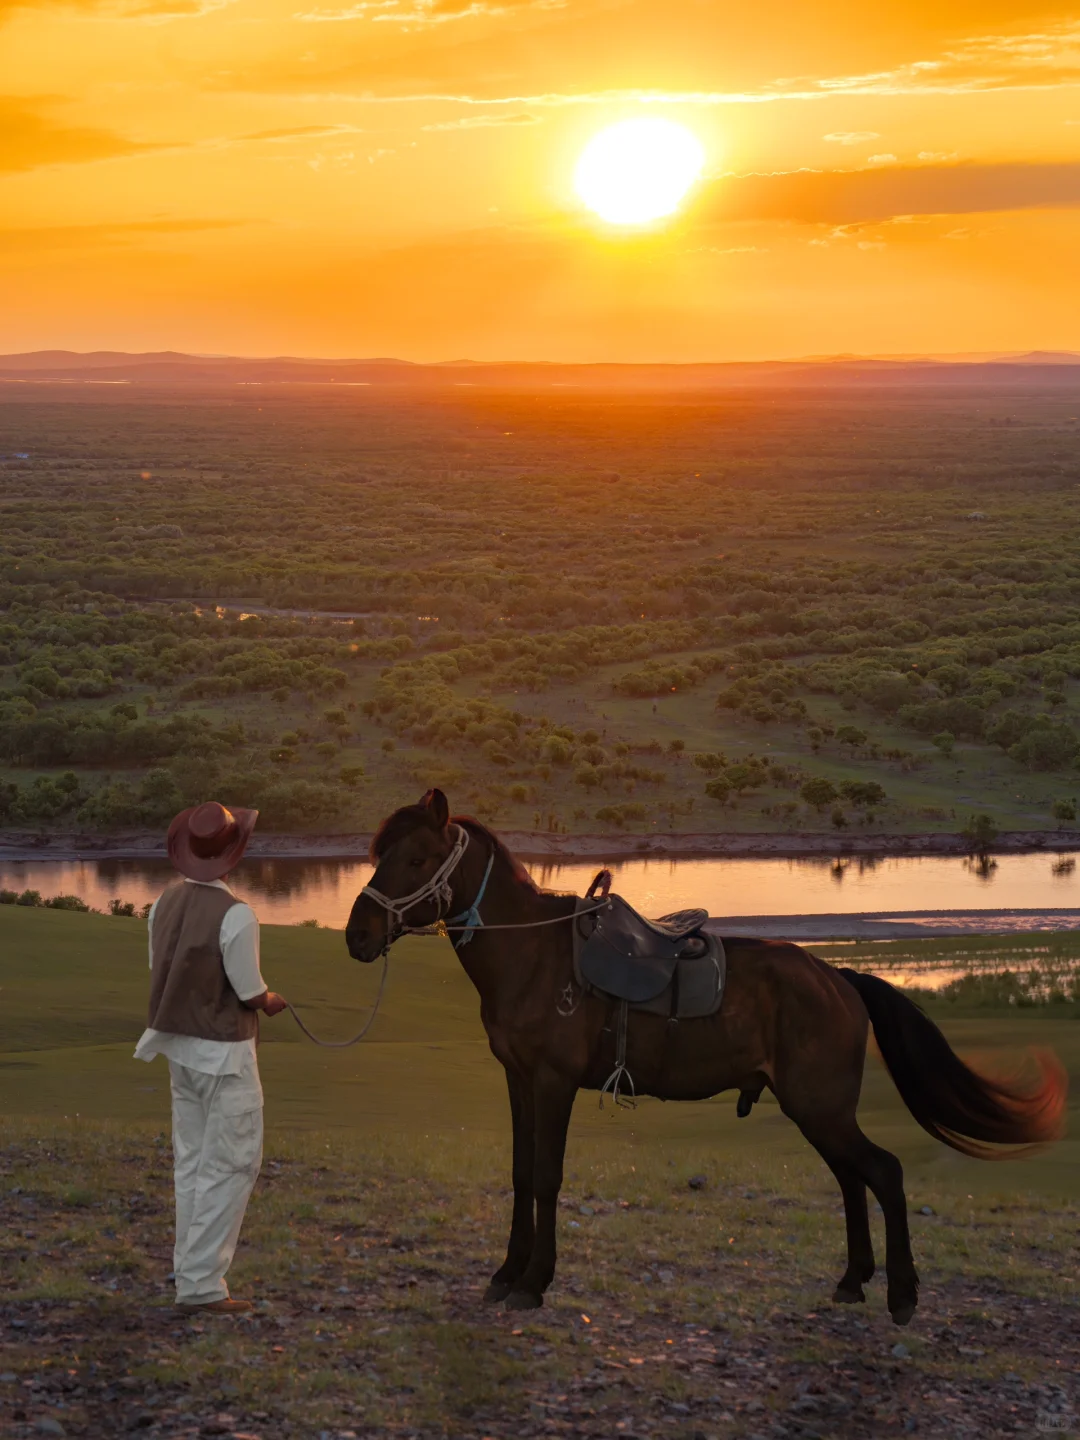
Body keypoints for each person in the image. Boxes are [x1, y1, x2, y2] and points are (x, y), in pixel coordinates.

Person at [134, 801, 287, 1313]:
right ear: (231, 855)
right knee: (232, 1165)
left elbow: (166, 970)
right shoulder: (238, 915)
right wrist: (272, 1000)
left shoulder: (162, 903)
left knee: (194, 1163)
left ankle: (190, 1273)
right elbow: (248, 991)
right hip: (225, 1056)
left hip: (179, 1048)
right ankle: (200, 1286)